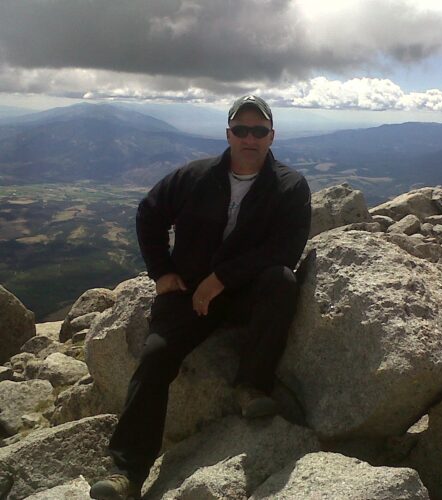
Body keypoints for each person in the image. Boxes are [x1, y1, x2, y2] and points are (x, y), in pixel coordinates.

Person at [90, 95, 311, 500]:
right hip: (187, 293)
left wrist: (222, 278)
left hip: (244, 292)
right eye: (241, 130)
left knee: (281, 280)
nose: (249, 138)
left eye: (258, 131)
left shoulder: (289, 186)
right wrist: (161, 271)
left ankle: (251, 386)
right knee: (156, 356)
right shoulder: (195, 176)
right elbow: (149, 212)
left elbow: (285, 249)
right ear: (228, 134)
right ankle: (127, 471)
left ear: (271, 136)